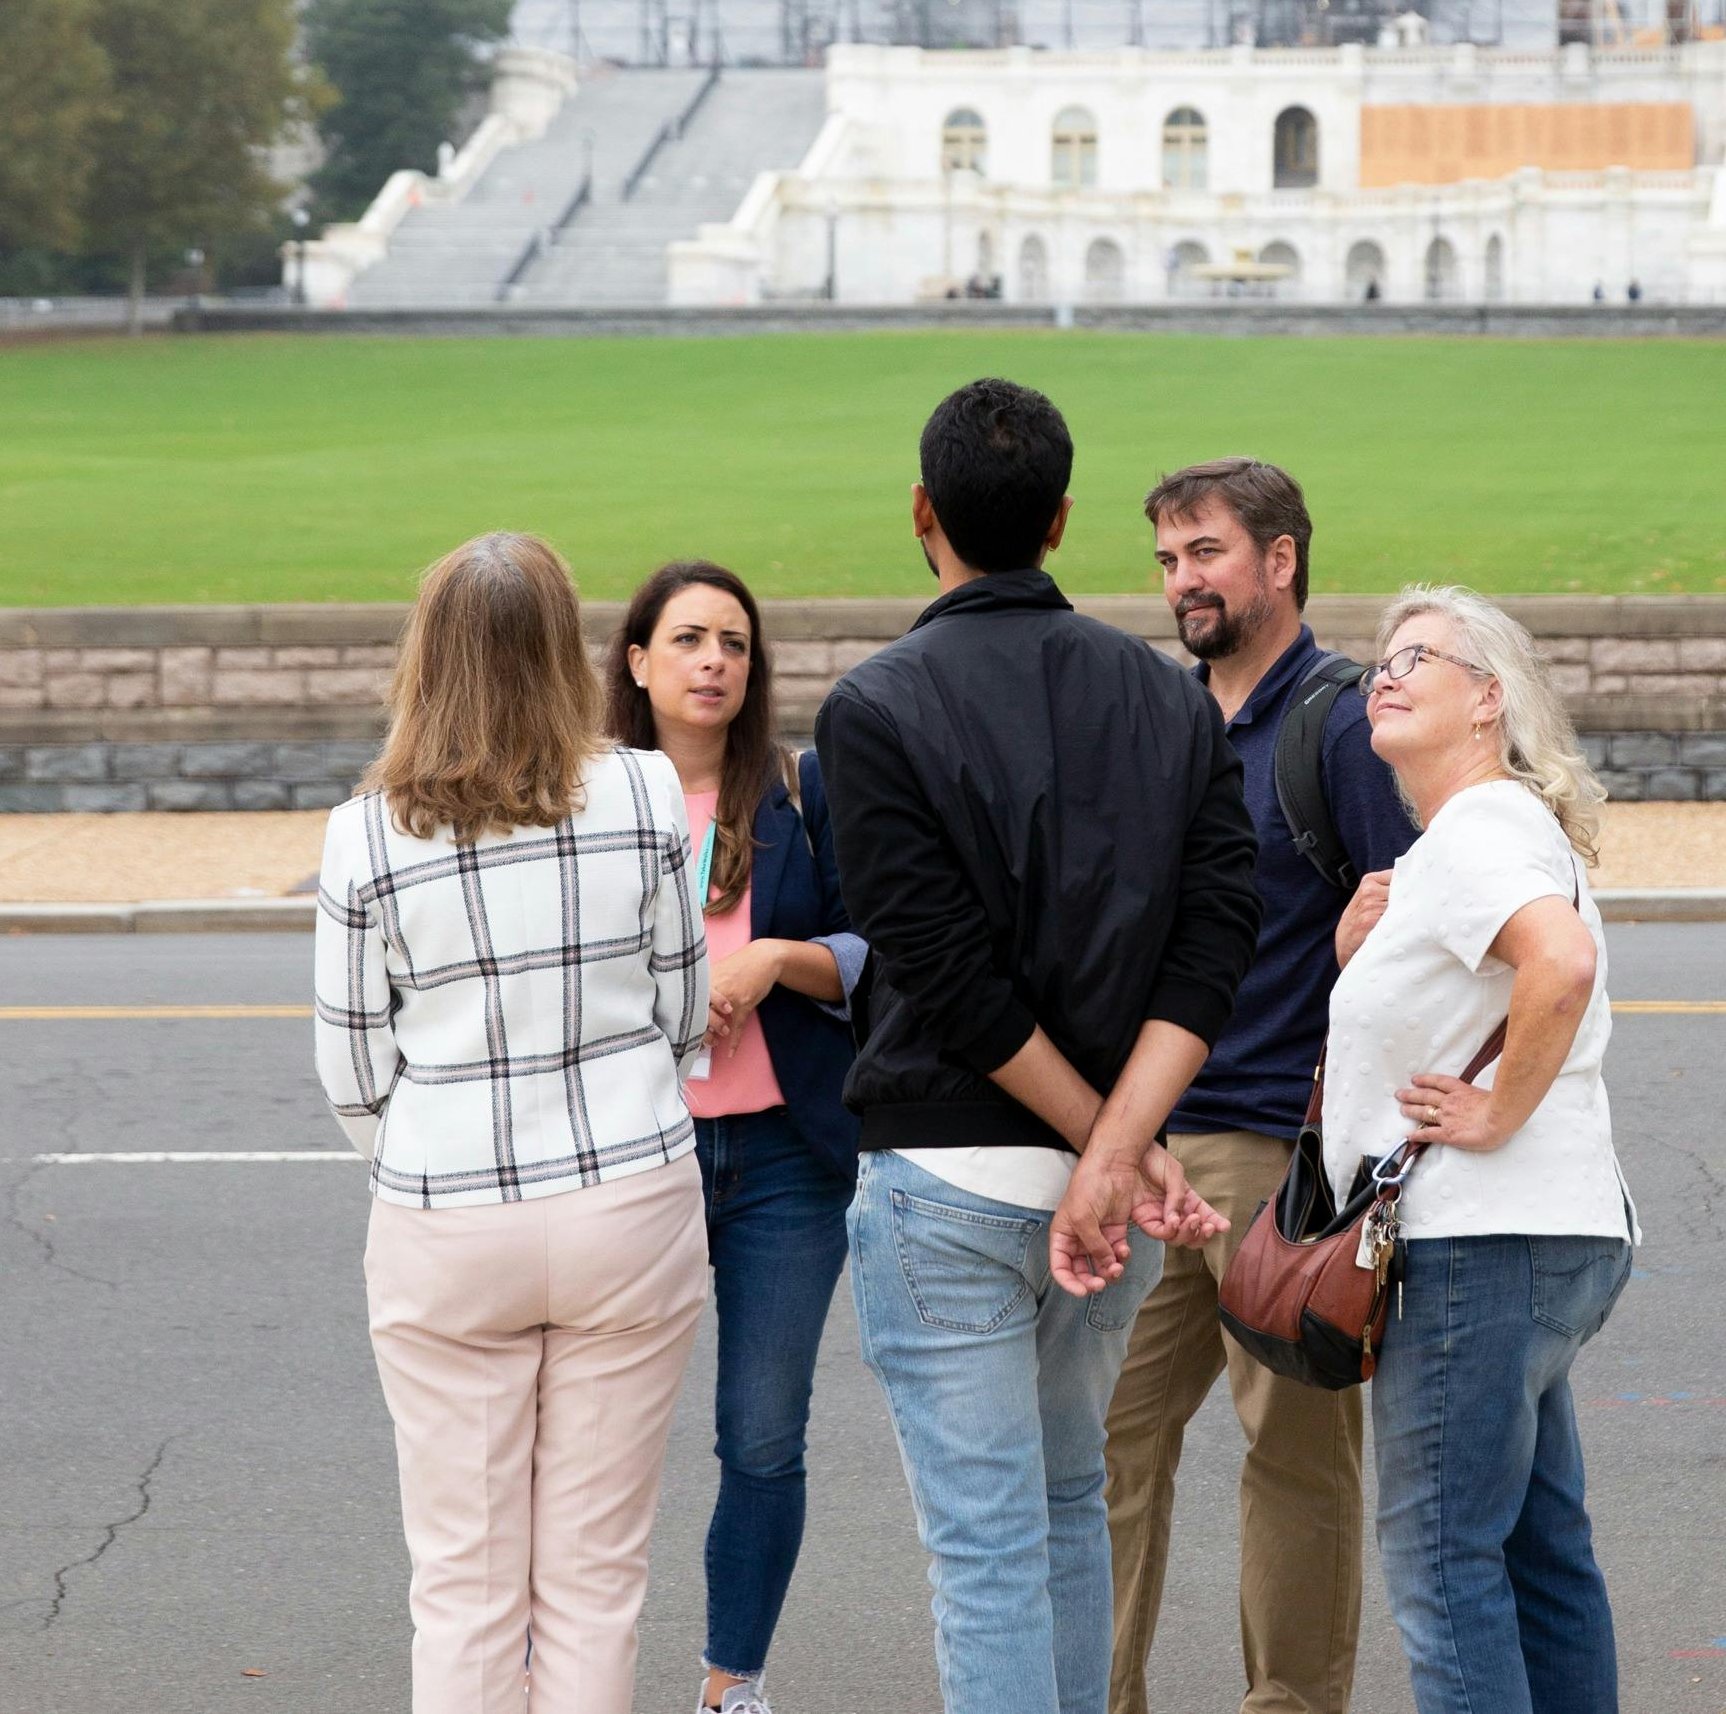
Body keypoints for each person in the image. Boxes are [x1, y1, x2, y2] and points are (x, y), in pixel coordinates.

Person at [813, 379, 1263, 1714]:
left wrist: (1106, 1150)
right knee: (1068, 1509)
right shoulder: (1170, 701)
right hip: (1102, 1179)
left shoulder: (873, 707)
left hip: (950, 1176)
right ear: (1063, 519)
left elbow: (946, 978)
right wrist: (1121, 1152)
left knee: (991, 1545)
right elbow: (1217, 936)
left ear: (921, 513)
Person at [314, 532, 711, 1714]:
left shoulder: (365, 831)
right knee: (595, 1578)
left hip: (447, 1211)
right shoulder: (643, 789)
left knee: (465, 1583)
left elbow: (349, 1070)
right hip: (626, 1195)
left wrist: (431, 1153)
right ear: (563, 651)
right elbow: (682, 1012)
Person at [1104, 459, 1417, 1714]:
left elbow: (1417, 926)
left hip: (1280, 1155)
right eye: (1169, 559)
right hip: (1150, 1145)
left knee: (1290, 1459)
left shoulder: (1341, 721)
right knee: (1104, 1445)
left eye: (1206, 554)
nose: (1181, 580)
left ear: (1279, 560)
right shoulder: (1167, 720)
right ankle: (1091, 1693)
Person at [1324, 584, 1638, 1714]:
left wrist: (1495, 1112)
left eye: (1419, 657)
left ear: (1487, 700)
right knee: (1536, 1554)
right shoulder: (1482, 835)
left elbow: (1558, 963)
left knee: (1442, 1561)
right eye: (1379, 660)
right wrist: (1354, 949)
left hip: (1477, 1245)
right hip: (1544, 1234)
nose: (1385, 674)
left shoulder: (1477, 829)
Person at [606, 561, 867, 1714]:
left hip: (780, 1161)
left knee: (761, 1434)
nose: (715, 660)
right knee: (596, 1438)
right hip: (632, 1153)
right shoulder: (586, 799)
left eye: (736, 643)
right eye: (690, 638)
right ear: (637, 661)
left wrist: (774, 962)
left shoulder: (798, 798)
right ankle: (566, 1676)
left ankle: (730, 1682)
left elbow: (872, 953)